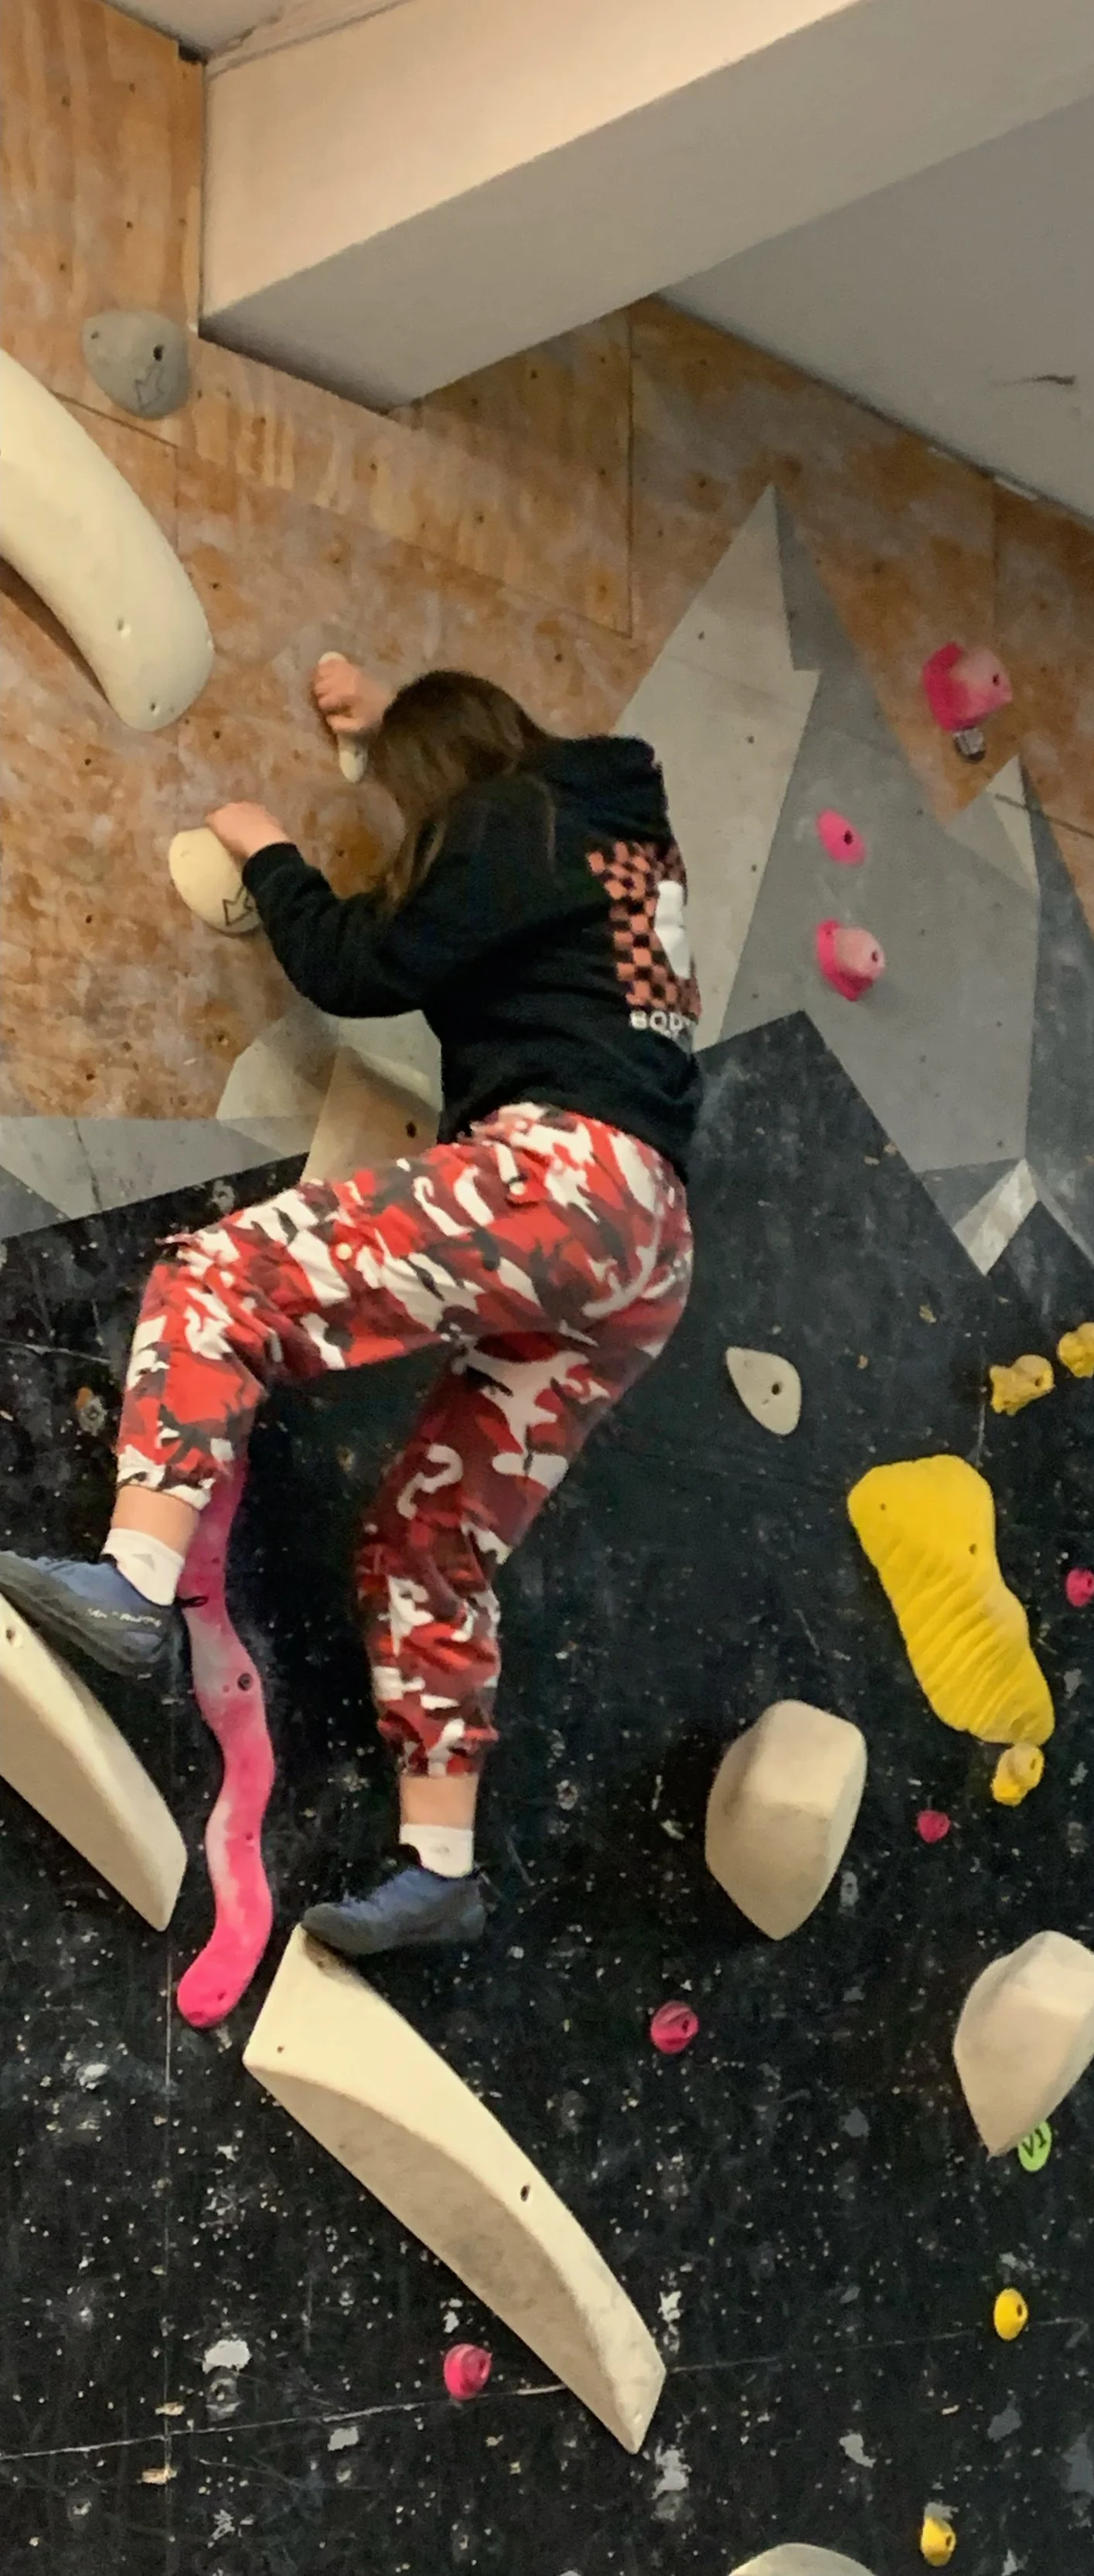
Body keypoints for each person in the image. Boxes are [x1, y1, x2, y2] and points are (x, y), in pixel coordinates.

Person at [0, 661, 701, 1955]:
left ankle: (134, 1584)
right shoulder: (614, 830)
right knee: (437, 1531)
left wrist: (268, 845)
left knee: (221, 1277)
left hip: (565, 1179)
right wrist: (390, 723)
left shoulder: (509, 816)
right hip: (647, 1244)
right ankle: (442, 1865)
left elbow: (357, 965)